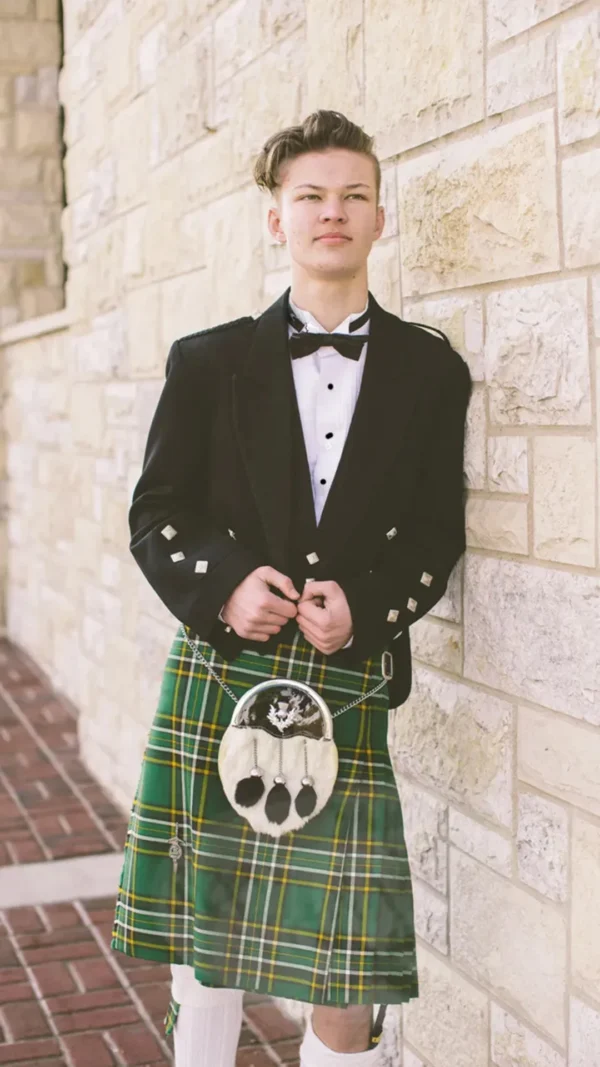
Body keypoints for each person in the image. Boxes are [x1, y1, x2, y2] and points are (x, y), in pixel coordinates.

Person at [111, 109, 472, 1067]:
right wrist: (224, 587)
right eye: (310, 196)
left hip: (344, 678)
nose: (332, 213)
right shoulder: (207, 361)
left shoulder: (432, 371)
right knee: (209, 950)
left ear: (380, 218)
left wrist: (370, 603)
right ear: (277, 220)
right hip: (222, 673)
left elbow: (439, 532)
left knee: (345, 973)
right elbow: (157, 514)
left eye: (353, 195)